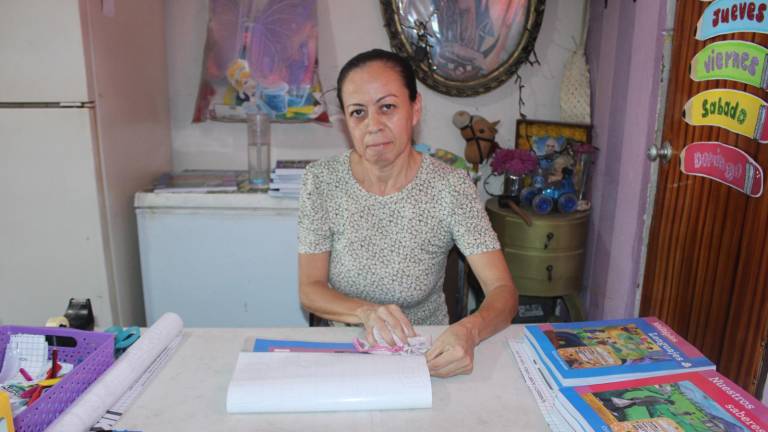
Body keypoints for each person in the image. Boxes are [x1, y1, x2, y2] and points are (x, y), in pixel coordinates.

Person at [297, 49, 518, 378]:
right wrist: (366, 312)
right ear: (346, 122)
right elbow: (310, 288)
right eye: (358, 112)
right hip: (345, 347)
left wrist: (469, 331)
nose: (373, 126)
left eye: (387, 107)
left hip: (427, 354)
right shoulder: (321, 181)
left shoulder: (451, 187)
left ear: (415, 109)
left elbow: (504, 291)